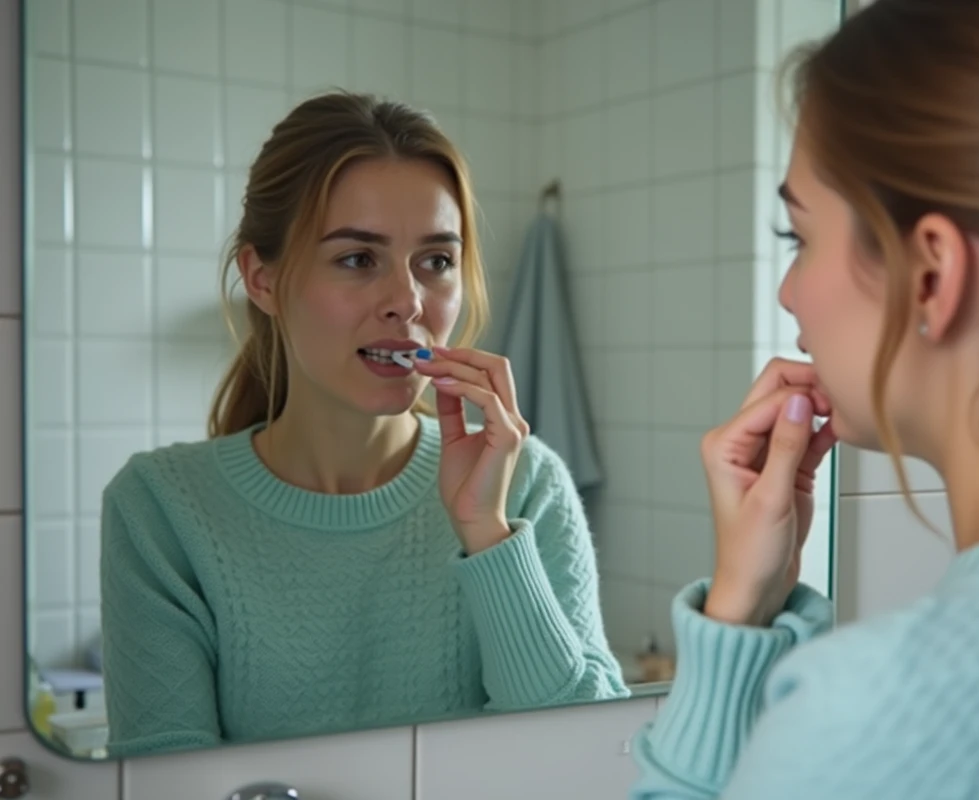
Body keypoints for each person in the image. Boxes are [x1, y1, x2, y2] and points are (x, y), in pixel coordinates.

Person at [632, 0, 979, 796]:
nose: (790, 293)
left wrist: (733, 620)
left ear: (929, 275)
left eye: (800, 238)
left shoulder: (873, 719)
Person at [99, 92, 627, 758]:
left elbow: (586, 758)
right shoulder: (160, 509)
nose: (408, 302)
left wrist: (487, 536)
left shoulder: (527, 485)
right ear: (262, 279)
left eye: (436, 261)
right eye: (357, 259)